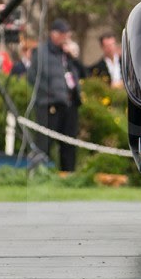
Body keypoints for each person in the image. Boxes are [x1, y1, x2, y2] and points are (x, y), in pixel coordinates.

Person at [27, 19, 82, 172]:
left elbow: (83, 73)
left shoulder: (67, 54)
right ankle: (40, 173)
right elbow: (33, 78)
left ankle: (68, 176)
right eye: (63, 34)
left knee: (68, 144)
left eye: (67, 34)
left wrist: (74, 57)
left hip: (70, 104)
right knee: (45, 143)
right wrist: (51, 94)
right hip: (50, 104)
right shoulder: (41, 52)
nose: (66, 37)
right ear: (54, 34)